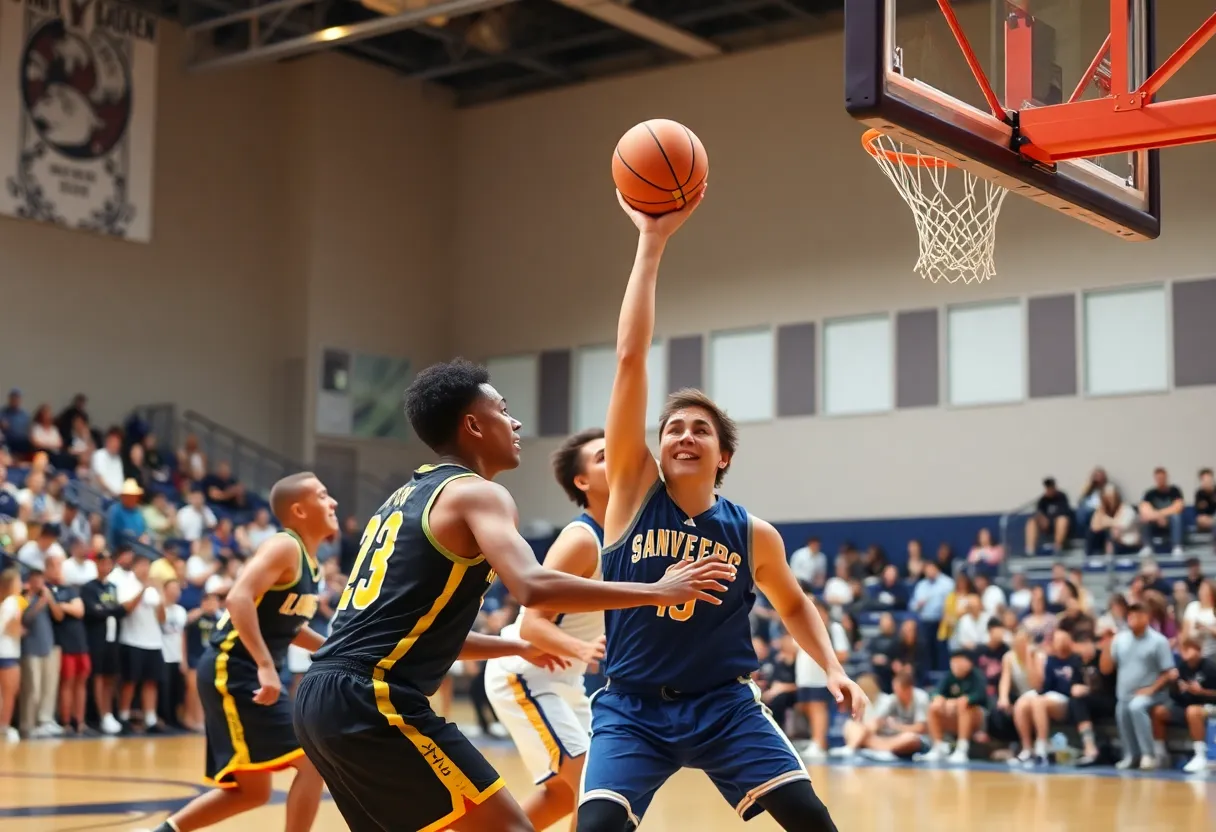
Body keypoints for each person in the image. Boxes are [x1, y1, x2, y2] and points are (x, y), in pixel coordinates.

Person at [292, 360, 735, 832]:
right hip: (375, 698)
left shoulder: (403, 499)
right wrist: (657, 591)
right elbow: (530, 586)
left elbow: (413, 631)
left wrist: (518, 646)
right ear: (473, 425)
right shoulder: (477, 494)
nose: (516, 421)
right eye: (503, 410)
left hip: (323, 697)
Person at [575, 186, 865, 832]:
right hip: (631, 709)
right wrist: (651, 242)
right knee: (595, 829)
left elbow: (793, 604)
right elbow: (629, 360)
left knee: (812, 819)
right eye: (673, 427)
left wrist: (833, 667)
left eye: (700, 430)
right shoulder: (630, 495)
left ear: (723, 455)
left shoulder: (752, 534)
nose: (682, 435)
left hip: (724, 706)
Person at [142, 472, 338, 832]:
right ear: (298, 509)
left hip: (242, 671)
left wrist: (335, 650)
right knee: (315, 758)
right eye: (323, 496)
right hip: (231, 669)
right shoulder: (284, 546)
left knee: (251, 792)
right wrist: (265, 664)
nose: (333, 503)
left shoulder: (312, 563)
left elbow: (288, 626)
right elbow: (237, 598)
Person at [485, 428, 610, 832]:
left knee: (563, 795)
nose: (619, 459)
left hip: (565, 679)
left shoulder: (625, 537)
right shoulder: (581, 539)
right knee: (590, 781)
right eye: (603, 457)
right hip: (525, 670)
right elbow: (534, 623)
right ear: (582, 482)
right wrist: (582, 648)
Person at [1100, 602, 1178, 770]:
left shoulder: (1159, 641)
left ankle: (1148, 755)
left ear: (1146, 617)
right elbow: (1106, 669)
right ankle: (1130, 755)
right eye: (1130, 615)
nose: (1132, 619)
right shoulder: (1120, 639)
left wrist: (1151, 689)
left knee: (1136, 706)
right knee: (1122, 709)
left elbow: (1169, 672)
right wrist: (1107, 643)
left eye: (1136, 615)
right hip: (1124, 694)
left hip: (1154, 694)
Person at [1150, 636, 1216, 774]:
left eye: (1189, 649)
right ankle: (1160, 753)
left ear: (1198, 650)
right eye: (1183, 649)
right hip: (1185, 707)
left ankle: (1200, 756)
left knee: (1193, 711)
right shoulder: (1181, 668)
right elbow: (1176, 697)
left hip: (1209, 707)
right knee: (1159, 711)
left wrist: (1202, 692)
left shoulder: (1210, 667)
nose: (1185, 652)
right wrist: (1173, 684)